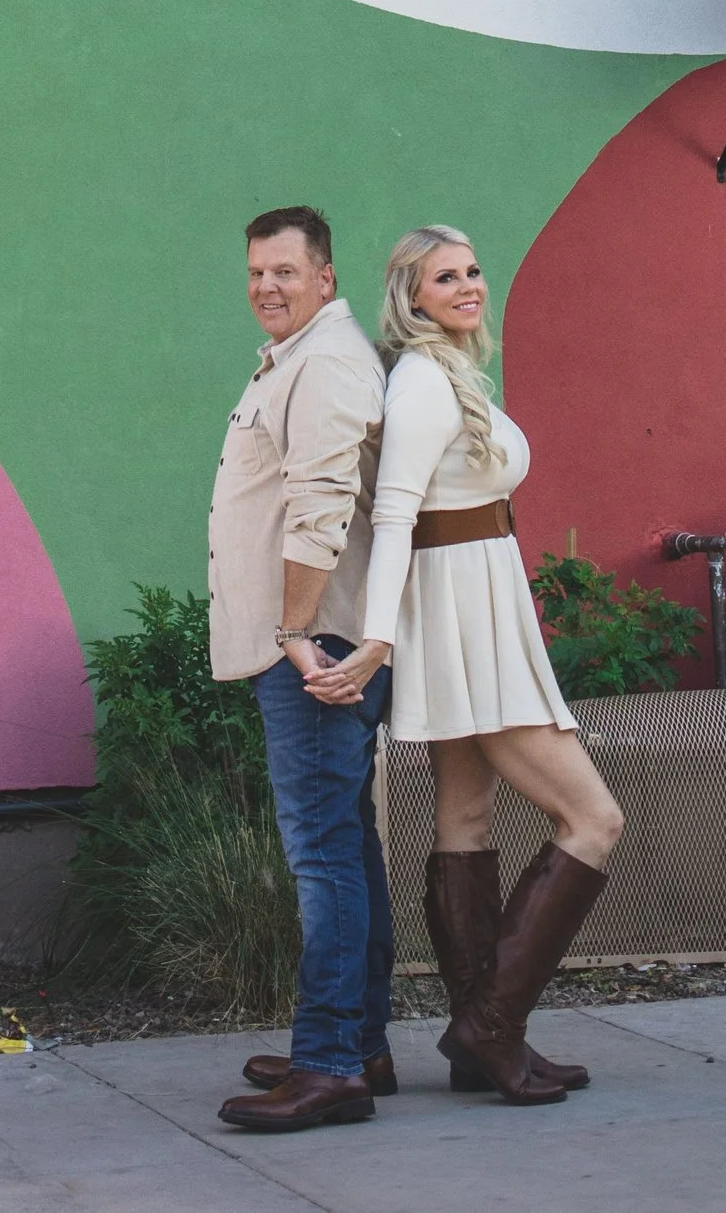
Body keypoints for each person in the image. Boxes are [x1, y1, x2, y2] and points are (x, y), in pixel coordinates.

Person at [311, 224, 622, 1105]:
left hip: (474, 608)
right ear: (411, 297)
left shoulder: (449, 372)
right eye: (445, 277)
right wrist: (377, 641)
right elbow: (397, 516)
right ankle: (491, 1024)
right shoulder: (420, 383)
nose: (467, 286)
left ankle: (481, 1040)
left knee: (467, 816)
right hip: (458, 621)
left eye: (473, 270)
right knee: (594, 818)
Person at [205, 204, 392, 1133]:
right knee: (346, 845)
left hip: (313, 649)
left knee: (323, 856)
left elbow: (320, 505)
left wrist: (293, 631)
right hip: (315, 641)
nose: (267, 287)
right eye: (255, 273)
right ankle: (359, 1043)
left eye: (285, 271)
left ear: (325, 275)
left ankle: (329, 1066)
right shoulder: (301, 358)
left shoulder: (322, 365)